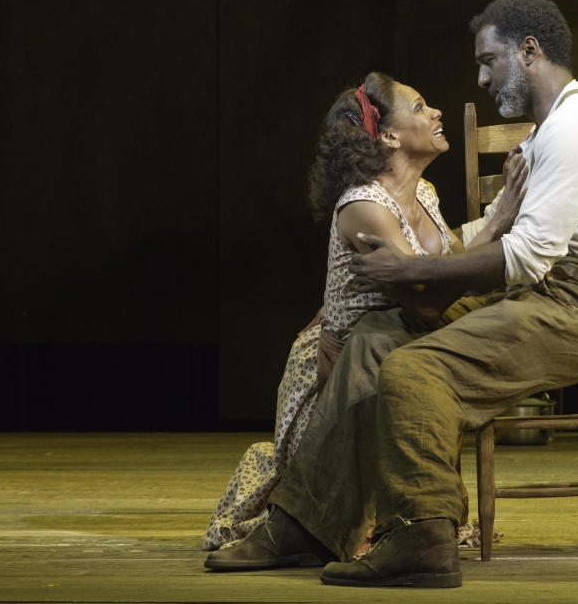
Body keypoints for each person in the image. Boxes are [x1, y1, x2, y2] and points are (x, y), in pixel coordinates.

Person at [204, 0, 578, 589]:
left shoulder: (575, 128)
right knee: (372, 340)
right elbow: (517, 249)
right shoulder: (555, 125)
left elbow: (525, 256)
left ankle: (423, 535)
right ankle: (304, 524)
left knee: (415, 372)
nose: (482, 77)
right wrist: (428, 269)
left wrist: (408, 275)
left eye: (489, 60)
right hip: (548, 294)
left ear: (529, 50)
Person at [201, 70, 527, 553]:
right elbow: (425, 292)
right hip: (339, 370)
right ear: (390, 135)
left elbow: (448, 267)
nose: (436, 112)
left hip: (398, 342)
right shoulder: (364, 207)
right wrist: (501, 221)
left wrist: (501, 215)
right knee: (339, 523)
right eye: (420, 107)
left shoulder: (426, 194)